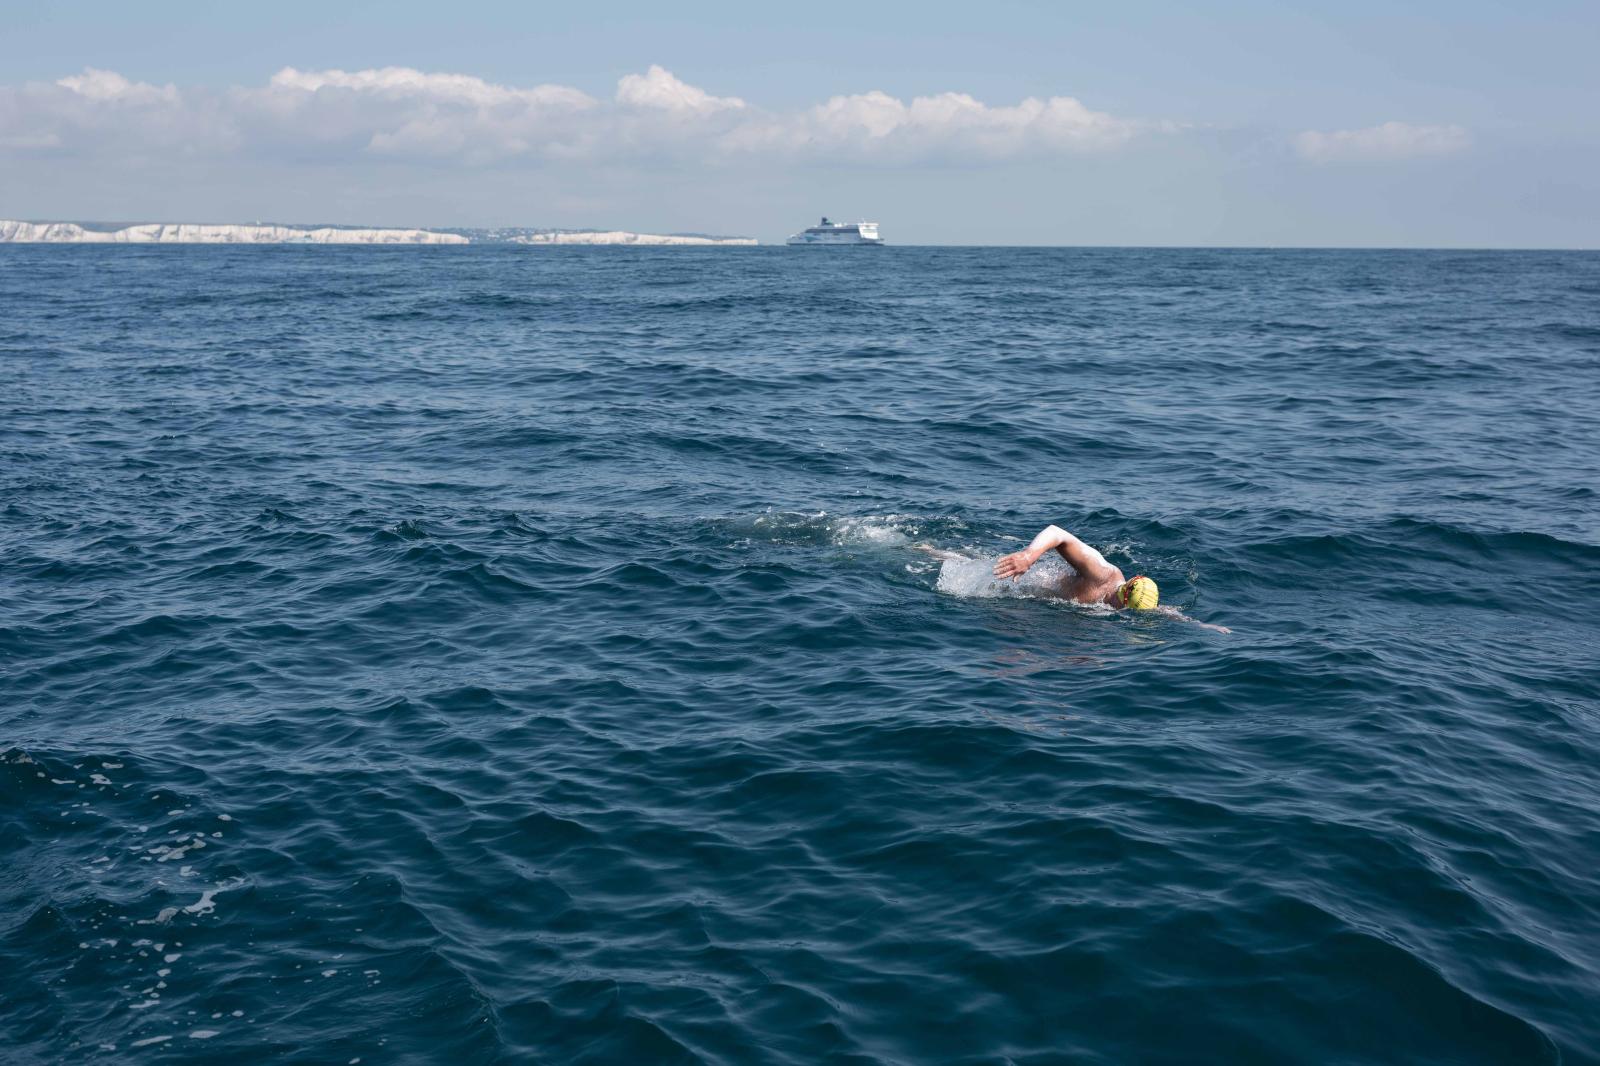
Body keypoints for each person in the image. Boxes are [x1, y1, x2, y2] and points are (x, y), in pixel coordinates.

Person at [991, 523, 1230, 633]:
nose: (1122, 610)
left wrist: (1202, 625)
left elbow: (1162, 612)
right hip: (1015, 580)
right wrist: (1028, 556)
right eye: (1124, 606)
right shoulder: (1102, 574)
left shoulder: (1126, 603)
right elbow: (1056, 532)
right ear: (1125, 591)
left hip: (1033, 603)